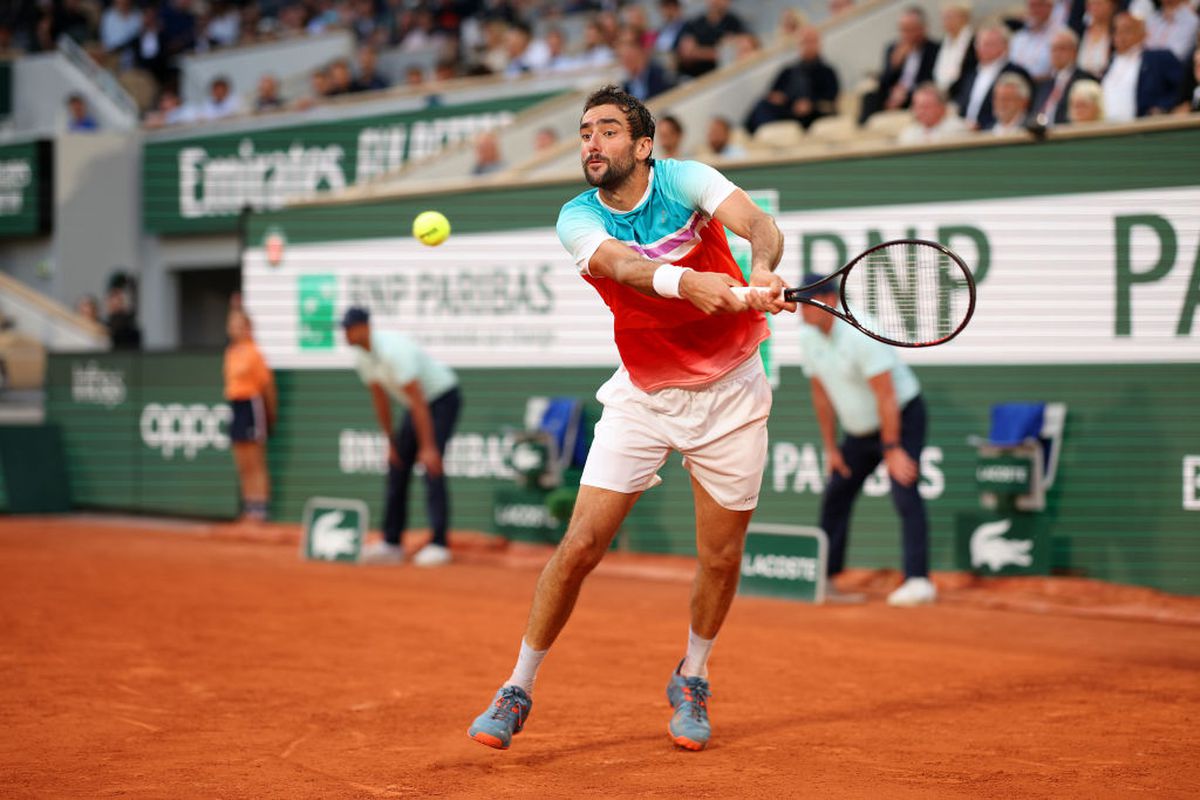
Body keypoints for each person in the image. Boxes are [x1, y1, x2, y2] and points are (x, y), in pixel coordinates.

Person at [467, 84, 791, 753]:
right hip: (643, 396)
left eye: (608, 130)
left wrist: (761, 268)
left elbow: (759, 223)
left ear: (644, 146)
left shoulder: (686, 179)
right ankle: (517, 687)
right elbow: (620, 266)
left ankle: (692, 676)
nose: (593, 142)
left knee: (720, 556)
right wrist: (687, 283)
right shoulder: (577, 217)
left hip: (732, 393)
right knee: (580, 545)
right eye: (586, 131)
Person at [796, 275, 935, 608]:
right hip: (858, 432)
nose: (802, 311)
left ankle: (918, 581)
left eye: (808, 303)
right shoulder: (808, 336)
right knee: (837, 493)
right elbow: (821, 395)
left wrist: (893, 449)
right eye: (800, 304)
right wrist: (831, 448)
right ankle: (826, 577)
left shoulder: (861, 332)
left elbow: (886, 395)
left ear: (830, 301)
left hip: (901, 418)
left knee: (904, 489)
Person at [342, 306, 461, 567]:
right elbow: (380, 399)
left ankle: (439, 545)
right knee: (397, 465)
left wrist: (428, 447)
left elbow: (419, 400)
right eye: (344, 329)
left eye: (350, 328)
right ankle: (391, 543)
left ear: (364, 327)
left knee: (431, 466)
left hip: (441, 399)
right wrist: (390, 442)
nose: (345, 334)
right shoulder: (362, 357)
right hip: (416, 406)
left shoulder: (393, 351)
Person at [224, 309, 276, 523]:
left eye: (238, 324)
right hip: (236, 406)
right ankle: (249, 507)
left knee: (256, 461)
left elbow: (267, 386)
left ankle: (261, 509)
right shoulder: (230, 353)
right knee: (242, 461)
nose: (234, 328)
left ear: (248, 327)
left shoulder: (255, 353)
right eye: (231, 324)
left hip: (252, 405)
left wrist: (271, 413)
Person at [744, 26, 840, 133]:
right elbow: (773, 94)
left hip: (812, 113)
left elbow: (830, 98)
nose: (808, 46)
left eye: (811, 41)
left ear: (819, 44)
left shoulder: (827, 71)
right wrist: (779, 98)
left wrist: (810, 104)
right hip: (788, 109)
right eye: (804, 42)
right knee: (762, 105)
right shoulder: (788, 70)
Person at [859, 6, 941, 124]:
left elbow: (931, 79)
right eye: (902, 30)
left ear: (922, 29)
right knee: (870, 97)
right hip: (893, 93)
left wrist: (905, 92)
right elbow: (883, 83)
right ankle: (863, 128)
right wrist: (894, 65)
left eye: (910, 29)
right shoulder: (893, 48)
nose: (905, 34)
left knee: (918, 97)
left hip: (915, 92)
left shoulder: (934, 49)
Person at [1101, 13, 1183, 122]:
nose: (1120, 35)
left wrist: (1162, 108)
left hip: (1143, 127)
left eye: (1127, 30)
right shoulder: (1110, 63)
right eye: (1116, 30)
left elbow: (1181, 89)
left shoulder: (1158, 59)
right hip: (1107, 127)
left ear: (1143, 33)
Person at [955, 23, 1033, 130]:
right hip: (966, 133)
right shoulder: (971, 75)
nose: (983, 48)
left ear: (1005, 46)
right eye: (980, 44)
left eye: (989, 44)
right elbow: (962, 106)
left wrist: (983, 127)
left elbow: (1018, 108)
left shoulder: (1015, 72)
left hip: (997, 131)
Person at [1031, 29, 1094, 126]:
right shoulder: (1045, 85)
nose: (1057, 53)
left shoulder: (1085, 80)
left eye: (1062, 48)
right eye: (1053, 49)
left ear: (1074, 51)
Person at [674, 0, 747, 79]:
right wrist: (718, 52)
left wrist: (698, 51)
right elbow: (687, 54)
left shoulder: (734, 23)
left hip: (724, 76)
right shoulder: (694, 24)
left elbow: (743, 50)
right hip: (694, 77)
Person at [1009, 0, 1064, 82]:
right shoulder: (1019, 37)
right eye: (1032, 6)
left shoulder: (1060, 35)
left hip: (1044, 84)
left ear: (1050, 7)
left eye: (1039, 5)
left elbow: (1057, 72)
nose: (1035, 10)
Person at [897, 82, 968, 143]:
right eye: (917, 107)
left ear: (942, 107)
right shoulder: (909, 133)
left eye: (925, 107)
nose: (920, 111)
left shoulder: (957, 129)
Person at [618, 26, 675, 101]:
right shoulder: (626, 88)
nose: (624, 52)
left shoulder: (663, 78)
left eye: (630, 45)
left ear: (643, 48)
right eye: (621, 46)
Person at [932, 2, 976, 95]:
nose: (947, 22)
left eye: (950, 17)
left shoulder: (974, 42)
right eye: (945, 18)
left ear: (964, 18)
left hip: (961, 93)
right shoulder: (942, 43)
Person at [1145, 0, 1198, 64]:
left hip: (1168, 68)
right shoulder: (1151, 18)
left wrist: (1145, 54)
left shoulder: (1191, 21)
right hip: (1146, 66)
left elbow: (1175, 55)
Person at [1077, 0, 1116, 77]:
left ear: (1112, 6)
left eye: (1099, 4)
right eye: (1091, 4)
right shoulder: (1080, 31)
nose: (1094, 7)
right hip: (1080, 79)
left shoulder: (1116, 33)